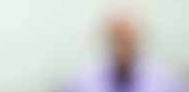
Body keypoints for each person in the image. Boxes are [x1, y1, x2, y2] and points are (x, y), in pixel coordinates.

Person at [58, 10, 189, 92]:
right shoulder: (81, 82)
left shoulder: (166, 82)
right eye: (117, 40)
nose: (121, 49)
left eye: (126, 40)